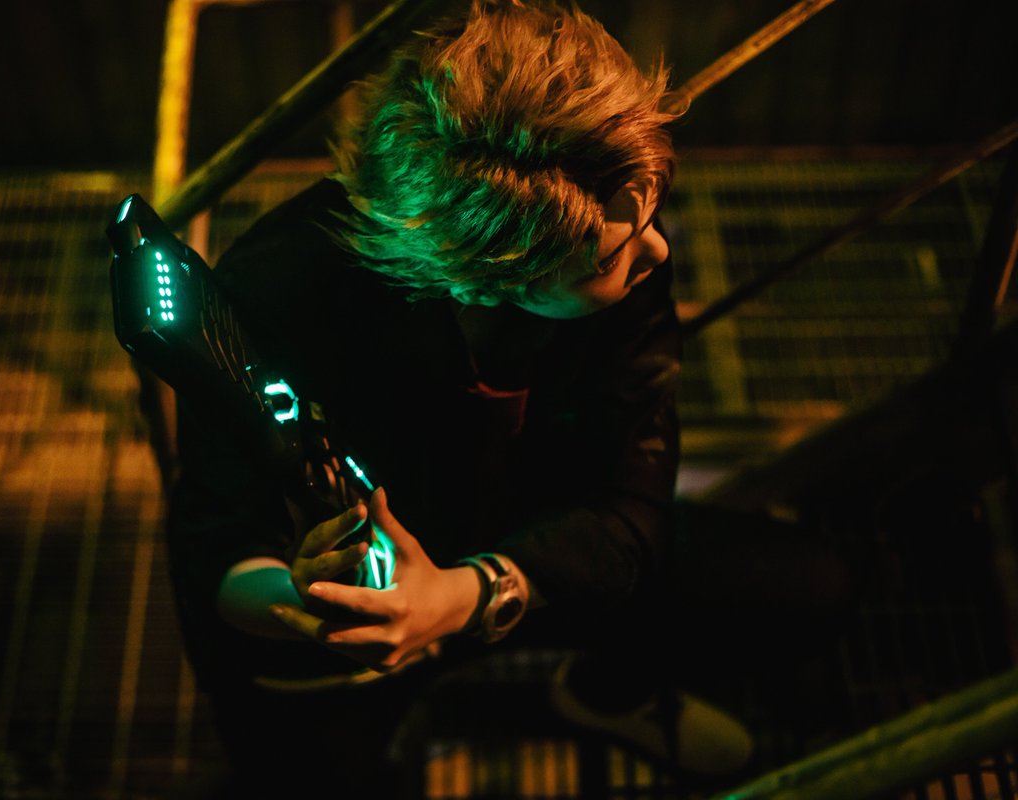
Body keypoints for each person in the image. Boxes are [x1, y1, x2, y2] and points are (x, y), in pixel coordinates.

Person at [165, 1, 761, 795]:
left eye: (651, 212)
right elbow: (216, 548)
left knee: (801, 588)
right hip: (347, 645)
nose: (655, 249)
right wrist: (318, 604)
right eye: (613, 255)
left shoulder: (614, 226)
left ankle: (603, 693)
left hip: (529, 548)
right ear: (484, 278)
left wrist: (465, 595)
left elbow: (634, 505)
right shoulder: (278, 291)